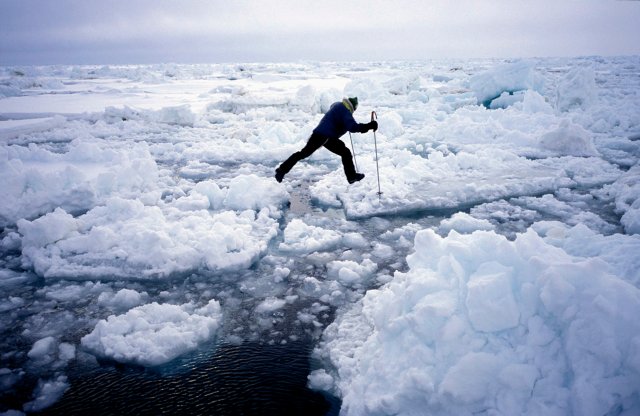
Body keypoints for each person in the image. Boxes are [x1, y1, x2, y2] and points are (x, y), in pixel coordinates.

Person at [275, 97, 378, 184]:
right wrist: (369, 126)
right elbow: (353, 127)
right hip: (323, 136)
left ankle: (352, 177)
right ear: (352, 107)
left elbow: (341, 119)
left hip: (325, 136)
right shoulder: (345, 112)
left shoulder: (338, 106)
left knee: (345, 152)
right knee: (303, 154)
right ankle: (281, 170)